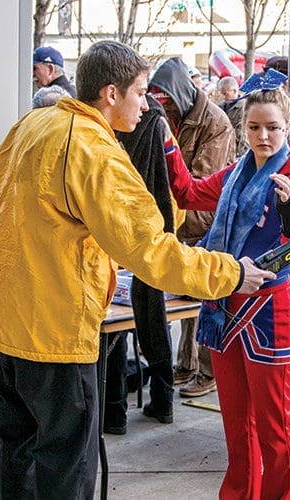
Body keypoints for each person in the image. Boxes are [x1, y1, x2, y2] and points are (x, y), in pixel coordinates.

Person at [0, 40, 273, 499]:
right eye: (141, 91)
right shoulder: (94, 151)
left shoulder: (33, 124)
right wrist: (228, 274)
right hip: (52, 338)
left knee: (17, 452)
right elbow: (151, 250)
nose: (148, 104)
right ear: (111, 93)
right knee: (64, 466)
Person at [165, 70, 290, 500]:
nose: (263, 136)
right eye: (254, 127)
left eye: (272, 127)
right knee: (235, 425)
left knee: (274, 428)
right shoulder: (234, 176)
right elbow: (187, 192)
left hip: (269, 314)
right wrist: (166, 139)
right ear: (242, 127)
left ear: (287, 126)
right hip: (224, 307)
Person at [149, 56, 237, 398]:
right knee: (186, 302)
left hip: (202, 222)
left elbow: (200, 185)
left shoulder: (214, 122)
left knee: (203, 297)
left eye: (168, 99)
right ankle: (185, 364)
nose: (165, 105)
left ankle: (205, 369)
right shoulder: (169, 116)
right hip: (177, 219)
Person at [102, 94, 187, 434]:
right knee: (153, 315)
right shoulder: (158, 125)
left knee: (115, 320)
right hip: (153, 229)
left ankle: (114, 412)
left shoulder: (107, 131)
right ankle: (162, 399)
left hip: (116, 231)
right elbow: (176, 183)